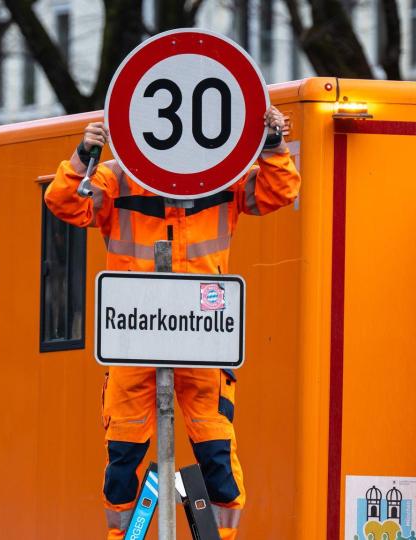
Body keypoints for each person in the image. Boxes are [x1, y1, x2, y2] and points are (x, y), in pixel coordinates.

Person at [45, 105, 301, 540]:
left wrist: (272, 144)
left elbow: (280, 191)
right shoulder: (115, 176)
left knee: (216, 452)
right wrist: (83, 153)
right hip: (139, 342)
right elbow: (63, 202)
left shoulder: (224, 175)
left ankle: (220, 537)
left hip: (200, 341)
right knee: (124, 456)